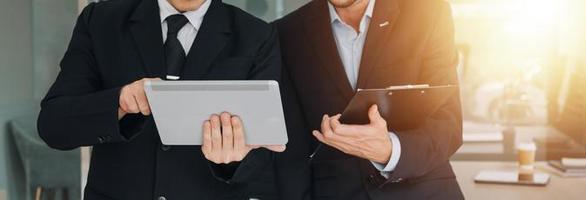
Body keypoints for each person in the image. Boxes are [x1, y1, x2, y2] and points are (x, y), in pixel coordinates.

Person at [37, 0, 286, 199]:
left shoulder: (257, 36)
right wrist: (119, 102)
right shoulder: (101, 21)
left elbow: (265, 162)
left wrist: (233, 162)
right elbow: (53, 125)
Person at [275, 0, 465, 199]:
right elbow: (291, 154)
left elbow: (448, 126)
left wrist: (390, 150)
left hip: (424, 191)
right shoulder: (287, 33)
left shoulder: (427, 11)